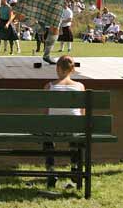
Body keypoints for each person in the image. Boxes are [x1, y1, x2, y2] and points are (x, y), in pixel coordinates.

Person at [43, 55, 84, 188]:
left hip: (53, 129)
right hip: (74, 129)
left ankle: (51, 171)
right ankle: (74, 166)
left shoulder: (49, 86)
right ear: (72, 70)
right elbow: (82, 113)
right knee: (75, 127)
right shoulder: (80, 86)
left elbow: (46, 113)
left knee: (48, 132)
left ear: (57, 68)